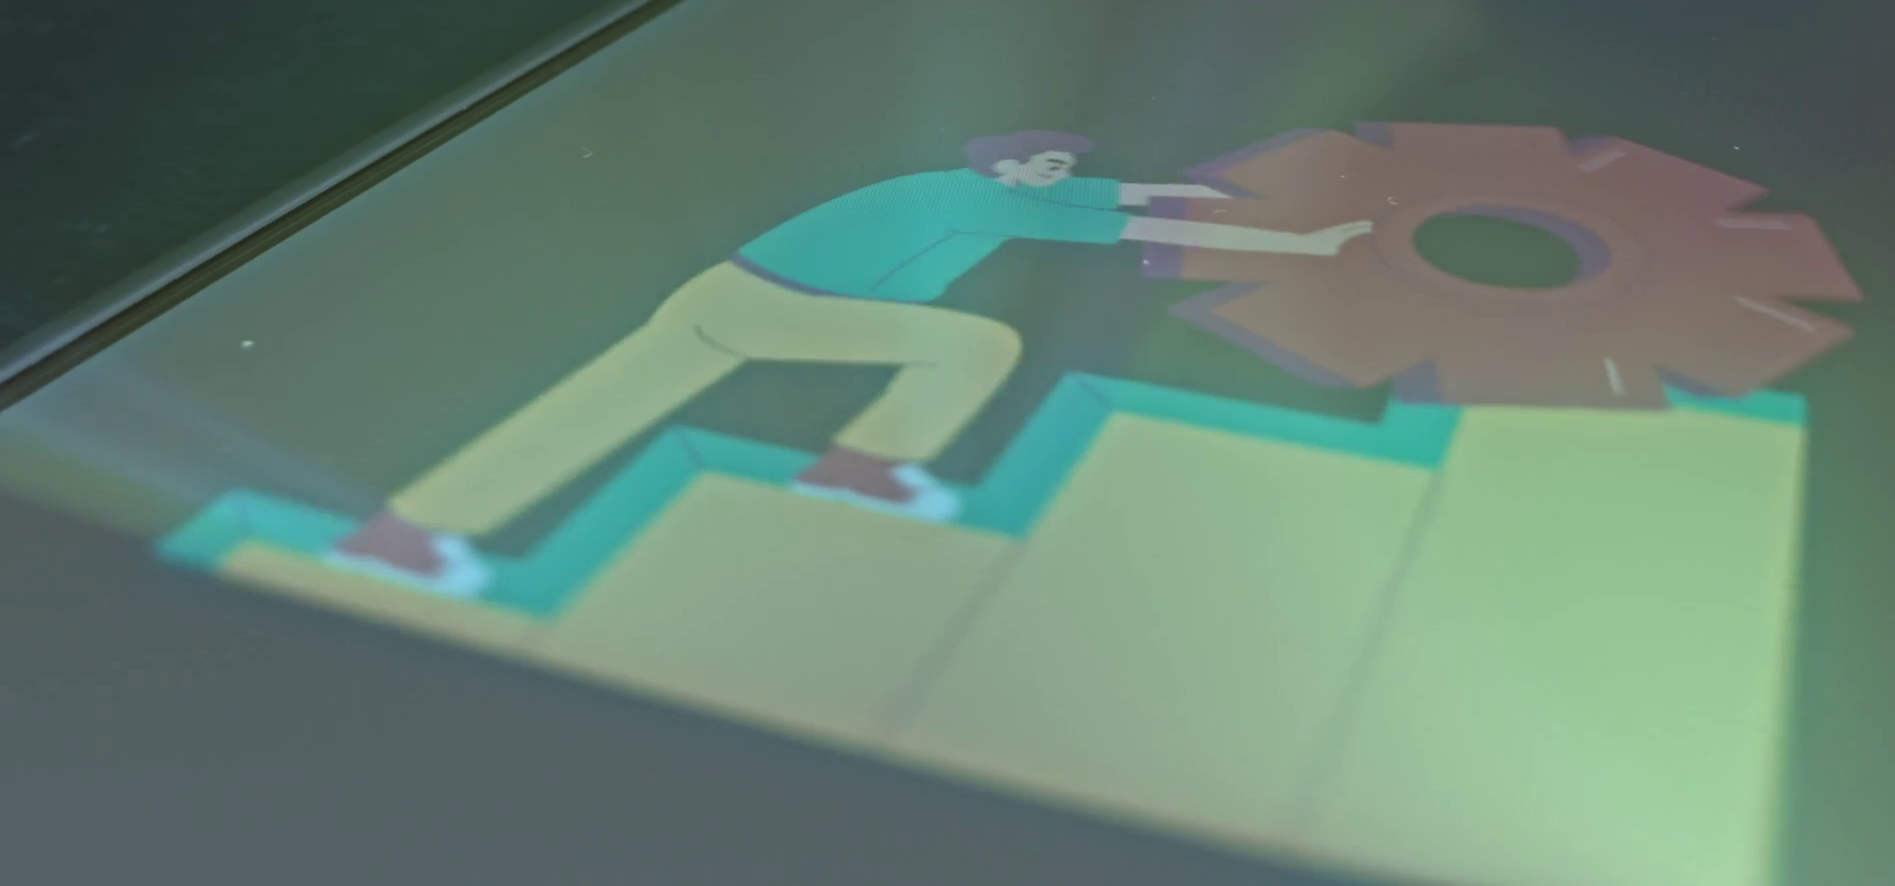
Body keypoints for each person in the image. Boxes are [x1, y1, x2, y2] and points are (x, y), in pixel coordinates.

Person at [328, 131, 1372, 595]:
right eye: (1040, 162)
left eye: (1061, 164)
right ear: (1003, 164)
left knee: (588, 409)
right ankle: (864, 465)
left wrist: (1280, 227)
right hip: (770, 305)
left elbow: (1132, 200)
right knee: (975, 342)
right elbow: (1138, 219)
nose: (1052, 173)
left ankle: (401, 531)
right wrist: (1296, 240)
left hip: (725, 299)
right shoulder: (971, 197)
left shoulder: (981, 195)